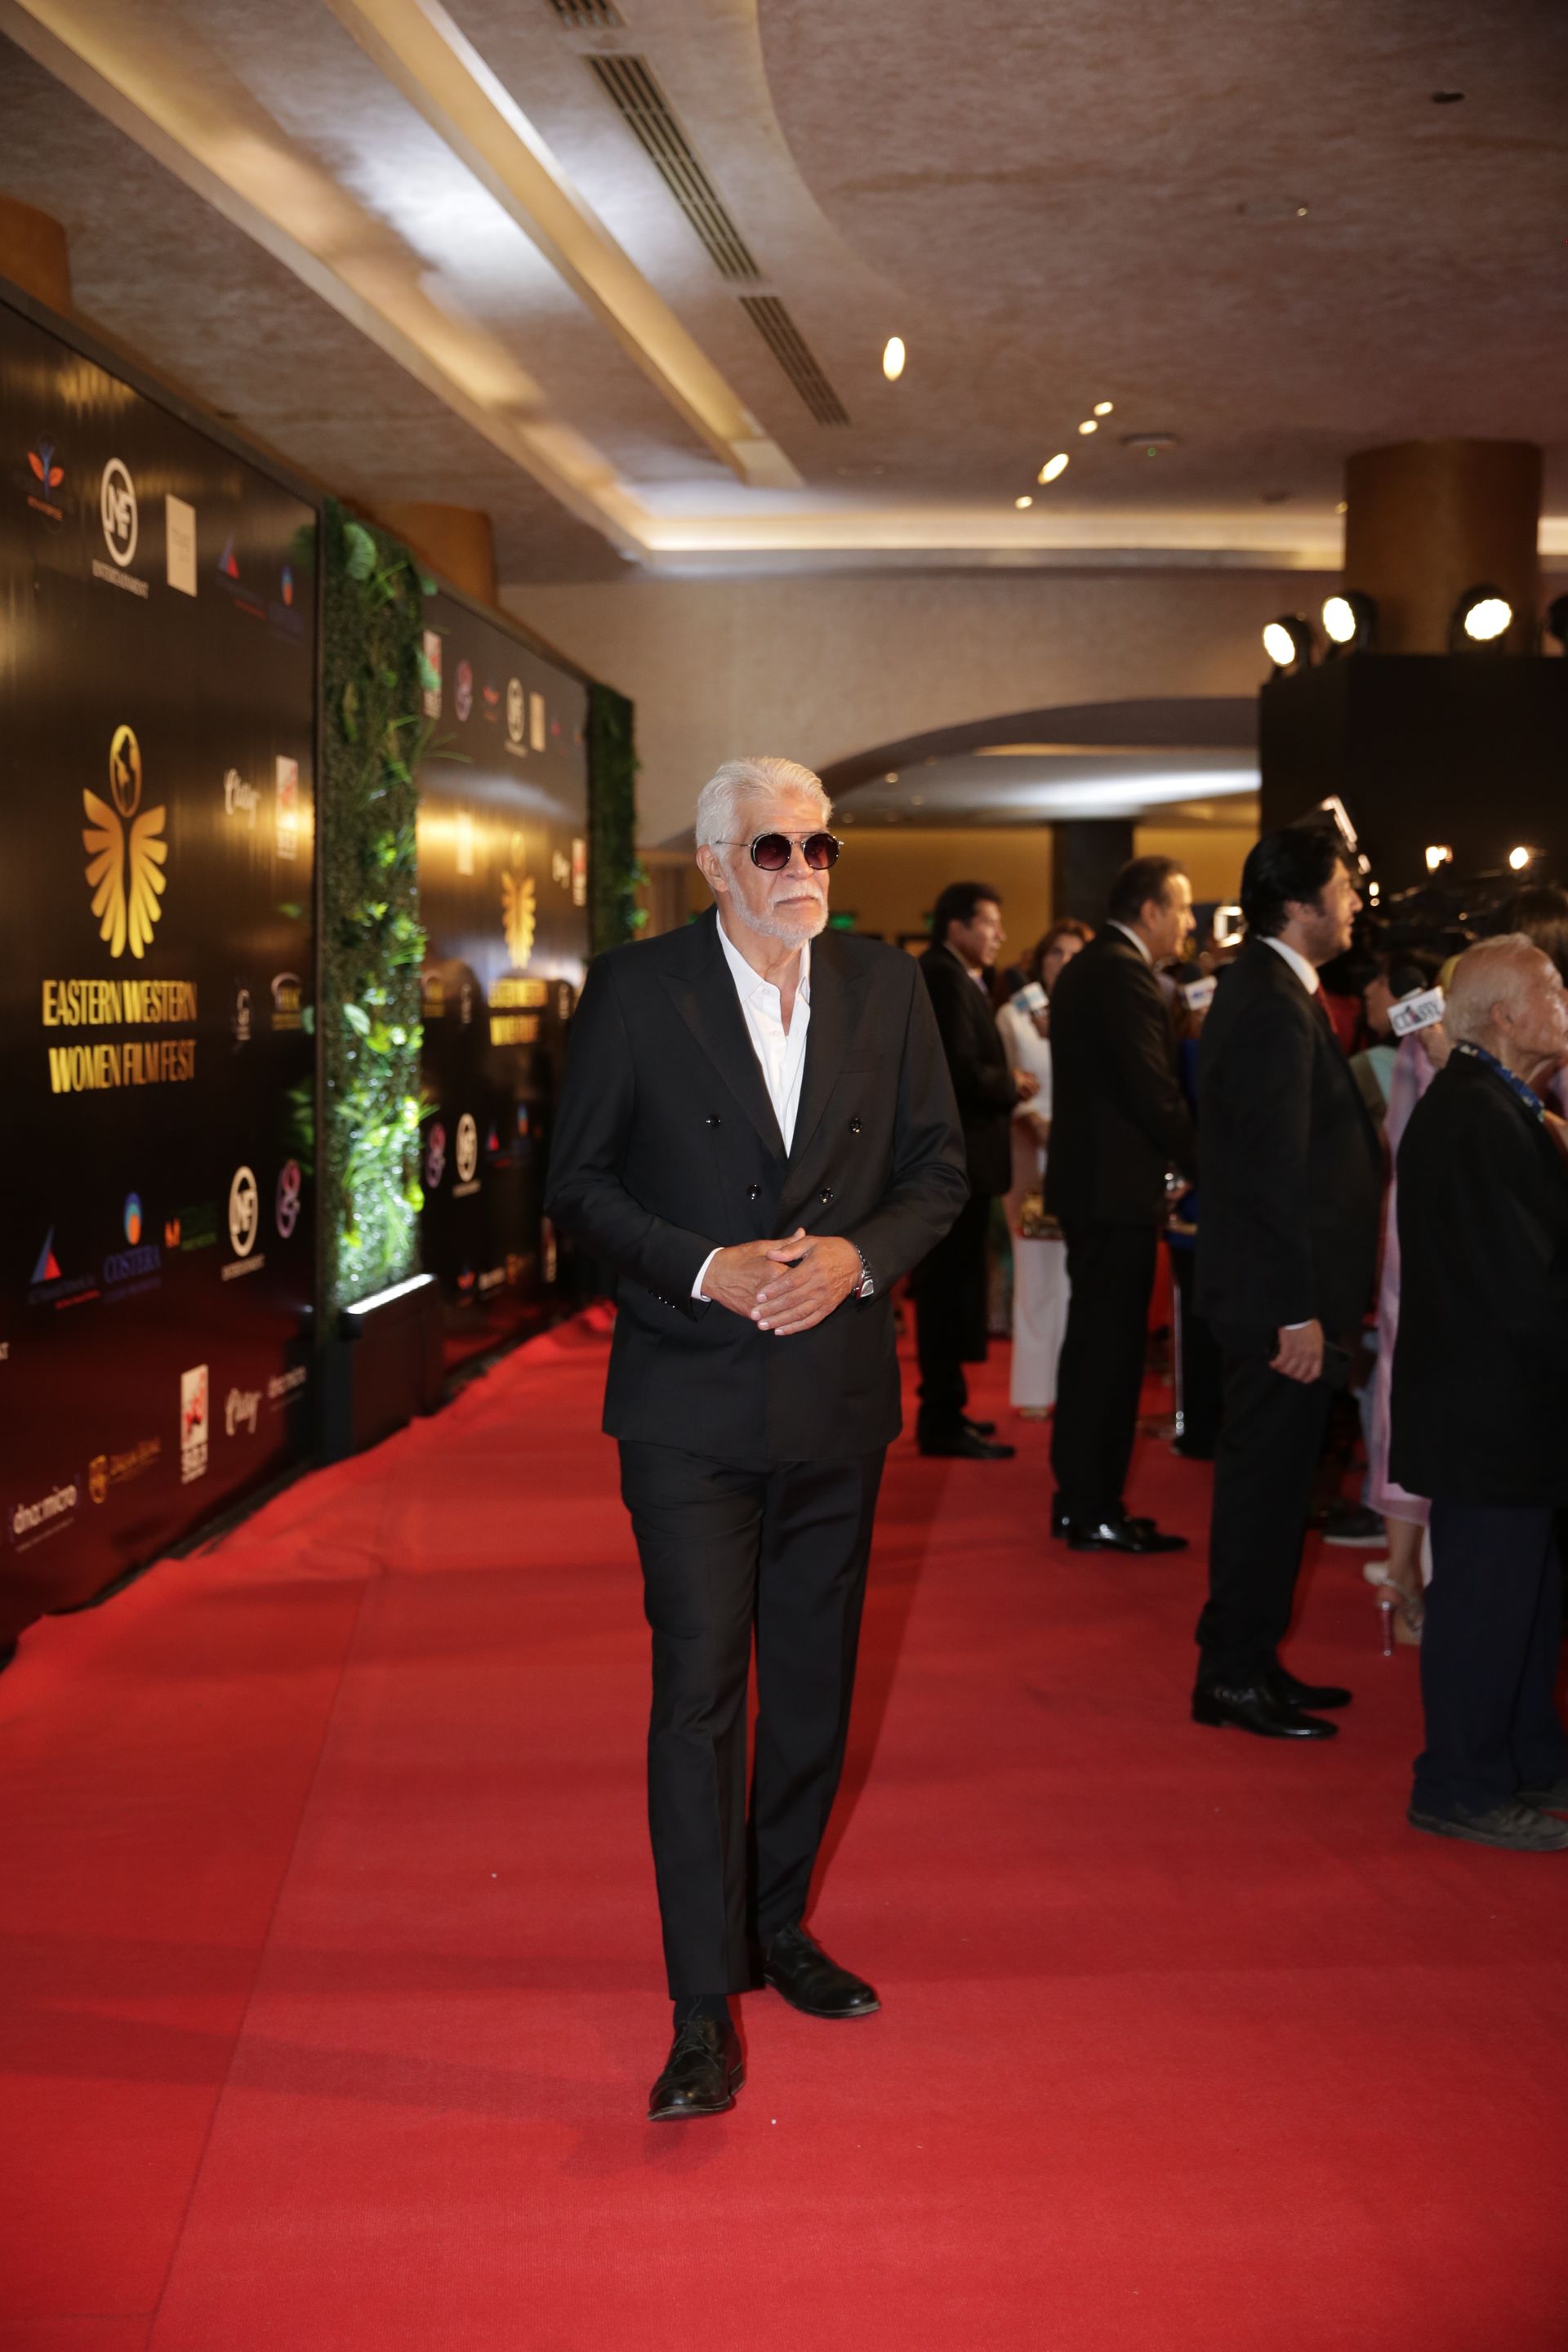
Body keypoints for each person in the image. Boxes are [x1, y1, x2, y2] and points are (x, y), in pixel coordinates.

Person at [545, 755, 969, 2118]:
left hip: (835, 1390)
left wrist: (857, 1256)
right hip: (688, 1402)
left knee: (814, 1684)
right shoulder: (637, 989)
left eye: (820, 846)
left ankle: (775, 1923)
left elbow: (940, 1173)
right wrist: (704, 1267)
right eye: (775, 848)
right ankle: (698, 2004)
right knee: (699, 1693)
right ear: (716, 864)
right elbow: (578, 1185)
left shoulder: (886, 988)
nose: (803, 870)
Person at [1191, 826, 1382, 1737]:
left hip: (1273, 1295)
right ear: (1300, 904)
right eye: (1343, 889)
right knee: (1264, 1492)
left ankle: (1251, 1660)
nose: (1355, 904)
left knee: (1271, 1489)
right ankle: (1233, 1675)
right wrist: (1296, 1311)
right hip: (1278, 1306)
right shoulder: (1270, 998)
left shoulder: (1273, 986)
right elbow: (1271, 1173)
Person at [1392, 935, 1568, 1851]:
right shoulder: (1476, 1115)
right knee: (1487, 1606)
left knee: (1528, 1602)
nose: (1567, 1006)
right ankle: (1459, 1784)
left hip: (1506, 1409)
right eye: (1556, 992)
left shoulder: (1498, 1103)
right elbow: (1524, 1284)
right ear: (1505, 1014)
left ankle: (1527, 1757)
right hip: (1488, 1410)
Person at [1045, 858, 1197, 1551]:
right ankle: (1093, 1505)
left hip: (1096, 1189)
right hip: (1112, 1193)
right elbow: (1152, 1091)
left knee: (1093, 1350)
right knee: (1108, 1355)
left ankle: (1080, 1499)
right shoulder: (1123, 972)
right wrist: (1207, 1165)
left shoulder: (1091, 966)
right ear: (1151, 911)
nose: (1190, 924)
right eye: (1183, 909)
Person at [911, 883, 1036, 1459]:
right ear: (956, 926)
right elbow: (957, 1069)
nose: (999, 935)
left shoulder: (955, 974)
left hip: (960, 1162)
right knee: (946, 1291)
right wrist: (1009, 1084)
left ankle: (949, 1408)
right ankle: (941, 1418)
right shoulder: (942, 975)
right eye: (989, 923)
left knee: (957, 1288)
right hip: (950, 1162)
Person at [995, 920, 1091, 1416]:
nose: (1065, 962)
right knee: (1034, 1270)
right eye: (1057, 952)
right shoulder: (1013, 1015)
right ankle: (1035, 1391)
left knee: (1080, 1276)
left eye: (1076, 954)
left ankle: (1073, 1386)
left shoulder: (1097, 1011)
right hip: (1030, 1148)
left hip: (1086, 1152)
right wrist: (1030, 1116)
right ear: (1041, 958)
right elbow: (999, 1080)